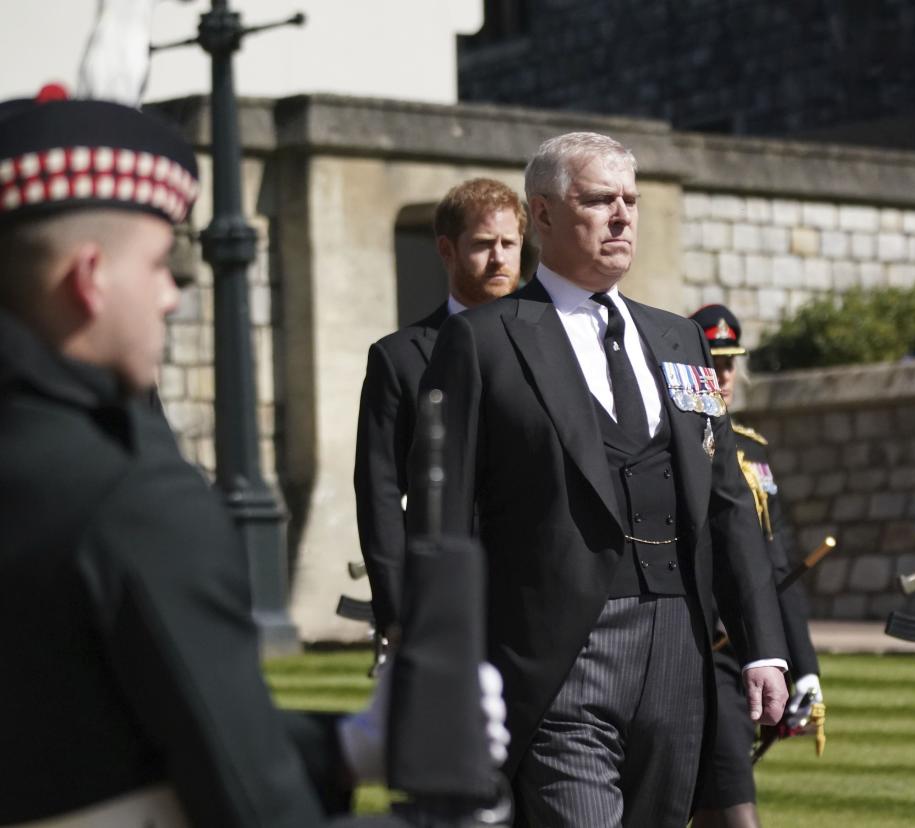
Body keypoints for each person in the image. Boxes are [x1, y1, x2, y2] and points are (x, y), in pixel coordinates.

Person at [0, 94, 393, 827]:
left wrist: (344, 746)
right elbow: (253, 804)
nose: (172, 297)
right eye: (158, 264)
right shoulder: (129, 500)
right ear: (90, 278)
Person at [408, 131, 789, 828]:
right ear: (543, 215)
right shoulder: (485, 340)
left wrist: (765, 645)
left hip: (679, 640)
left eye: (630, 201)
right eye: (598, 200)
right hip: (555, 650)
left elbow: (728, 503)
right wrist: (445, 668)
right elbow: (442, 519)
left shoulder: (681, 340)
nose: (621, 216)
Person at [354, 177, 524, 639]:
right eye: (483, 244)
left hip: (544, 587)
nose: (499, 257)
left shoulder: (559, 344)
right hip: (447, 591)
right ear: (447, 250)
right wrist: (395, 608)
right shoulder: (399, 357)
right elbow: (380, 491)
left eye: (510, 243)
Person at [687, 304, 822, 828]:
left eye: (729, 364)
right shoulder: (674, 445)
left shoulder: (752, 453)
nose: (723, 376)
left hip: (744, 656)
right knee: (731, 812)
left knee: (714, 809)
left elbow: (778, 567)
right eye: (713, 363)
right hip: (699, 652)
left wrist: (804, 665)